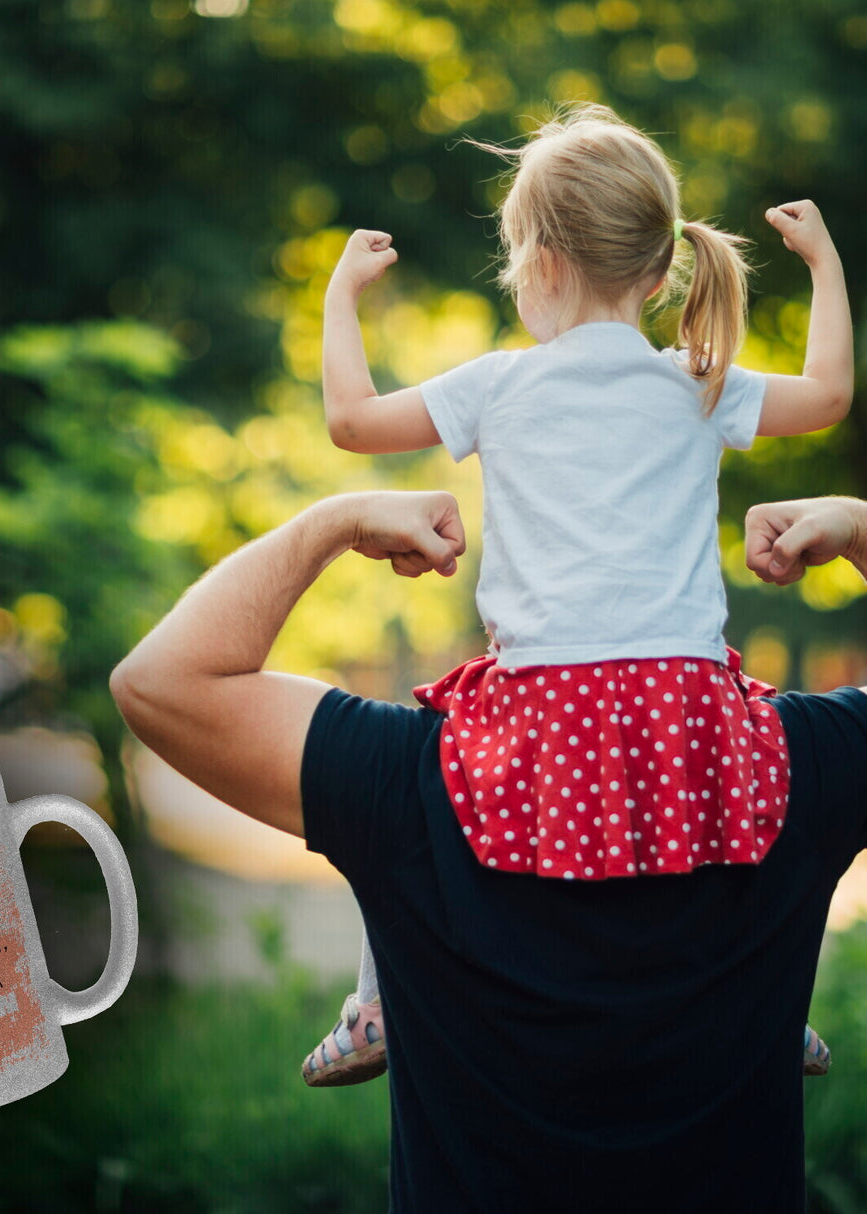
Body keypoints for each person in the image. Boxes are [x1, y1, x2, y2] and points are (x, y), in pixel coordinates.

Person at [111, 490, 867, 1214]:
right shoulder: (790, 765)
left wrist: (332, 524)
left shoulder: (413, 775)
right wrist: (861, 529)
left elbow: (159, 682)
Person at [304, 103, 852, 1085]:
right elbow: (826, 394)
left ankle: (377, 1003)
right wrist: (822, 266)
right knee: (760, 790)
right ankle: (775, 1005)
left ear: (537, 263)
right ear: (656, 270)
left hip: (542, 701)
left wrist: (339, 292)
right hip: (682, 696)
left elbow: (349, 420)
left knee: (405, 787)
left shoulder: (496, 385)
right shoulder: (699, 379)